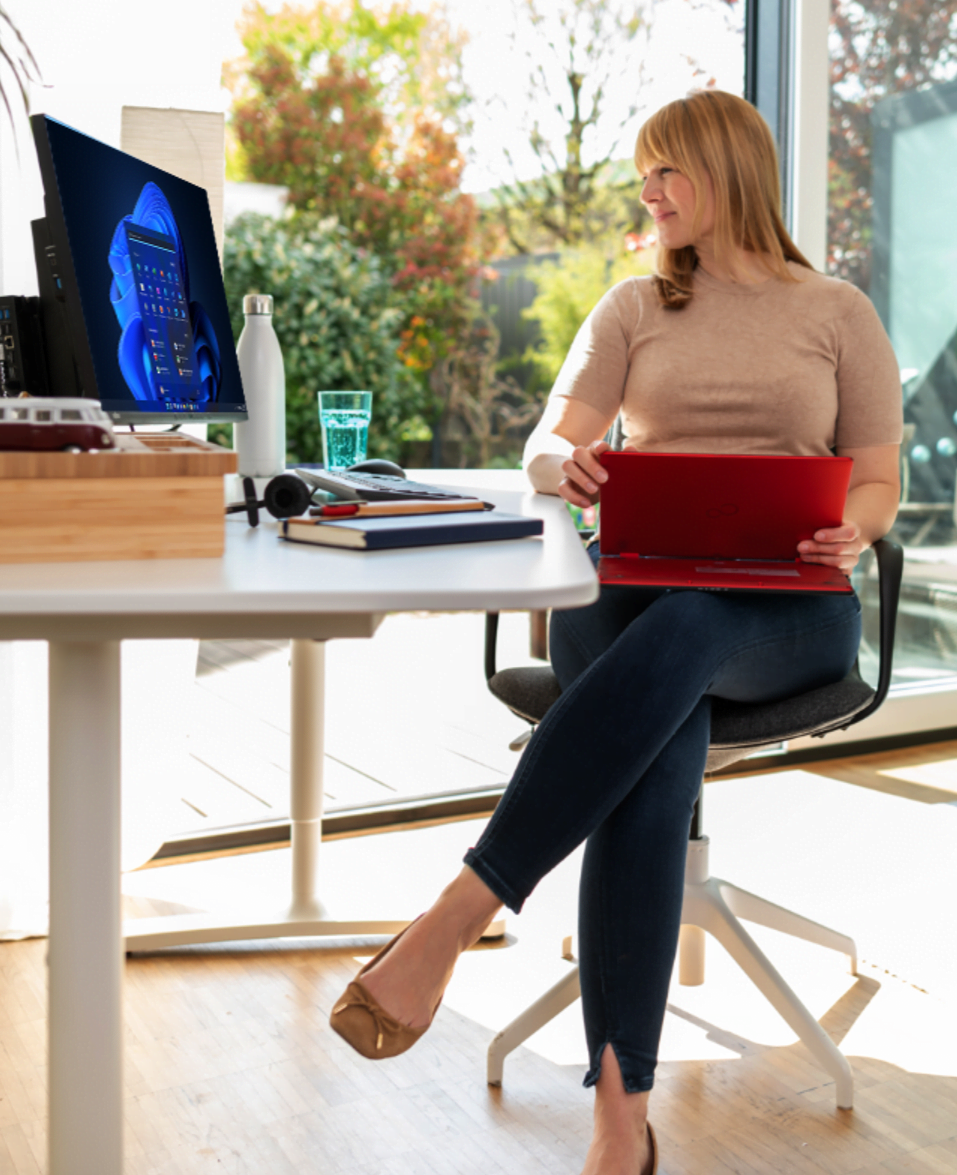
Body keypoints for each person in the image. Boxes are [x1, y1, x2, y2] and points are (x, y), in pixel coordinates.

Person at [329, 88, 902, 1175]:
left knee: (677, 655)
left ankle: (461, 910)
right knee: (659, 736)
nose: (647, 194)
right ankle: (617, 1127)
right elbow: (552, 437)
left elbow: (880, 479)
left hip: (792, 611)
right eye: (643, 174)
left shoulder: (837, 314)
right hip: (633, 601)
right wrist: (565, 466)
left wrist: (850, 530)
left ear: (727, 175)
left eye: (665, 173)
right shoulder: (635, 307)